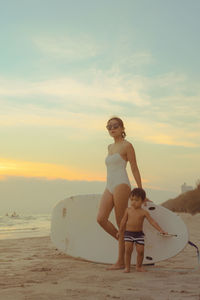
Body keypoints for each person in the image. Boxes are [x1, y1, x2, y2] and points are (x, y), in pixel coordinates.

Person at [97, 116, 143, 270]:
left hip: (121, 184)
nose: (112, 128)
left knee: (120, 223)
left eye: (115, 126)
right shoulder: (109, 147)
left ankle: (121, 261)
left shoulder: (127, 146)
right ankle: (124, 240)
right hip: (109, 185)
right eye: (109, 126)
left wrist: (140, 189)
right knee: (101, 218)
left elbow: (134, 168)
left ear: (122, 128)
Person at [118, 188, 167, 273]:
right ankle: (127, 267)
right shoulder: (128, 210)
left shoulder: (144, 212)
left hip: (139, 235)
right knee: (128, 250)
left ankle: (139, 266)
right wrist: (120, 231)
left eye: (136, 200)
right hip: (128, 233)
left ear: (143, 201)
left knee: (140, 251)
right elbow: (123, 221)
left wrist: (160, 230)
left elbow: (152, 221)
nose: (133, 202)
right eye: (132, 200)